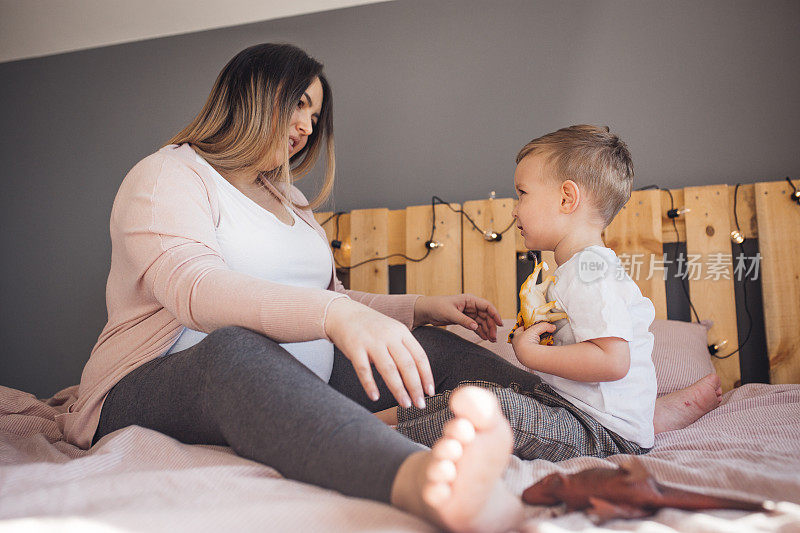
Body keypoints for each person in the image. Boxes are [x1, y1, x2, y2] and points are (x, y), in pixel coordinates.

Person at [56, 44, 721, 533]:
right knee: (235, 349)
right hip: (159, 378)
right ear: (254, 95)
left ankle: (595, 428)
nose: (308, 125)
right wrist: (334, 318)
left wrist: (418, 309)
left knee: (431, 344)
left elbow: (334, 297)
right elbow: (195, 289)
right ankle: (423, 485)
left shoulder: (289, 200)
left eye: (316, 114)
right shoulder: (168, 176)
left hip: (297, 376)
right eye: (299, 105)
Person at [375, 127, 723, 462]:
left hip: (601, 431)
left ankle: (376, 436)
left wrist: (530, 355)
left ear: (566, 198)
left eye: (522, 193)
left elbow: (613, 362)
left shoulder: (592, 271)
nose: (514, 209)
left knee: (498, 410)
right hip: (570, 408)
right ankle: (372, 423)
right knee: (478, 395)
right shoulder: (576, 269)